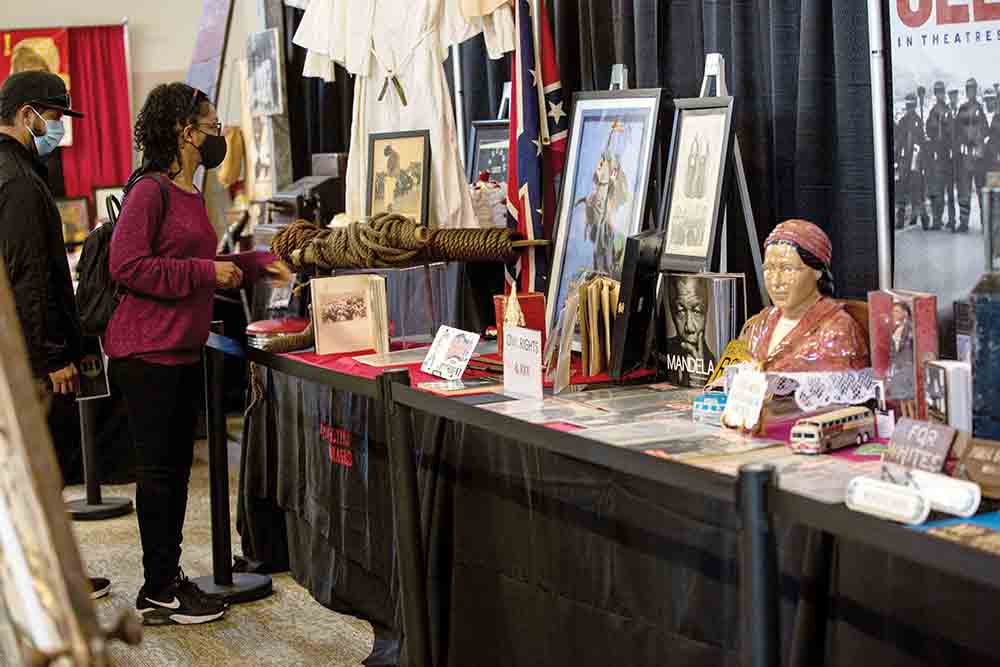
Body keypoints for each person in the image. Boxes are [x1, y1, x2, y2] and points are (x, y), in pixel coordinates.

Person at [105, 82, 284, 626]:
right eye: (210, 126)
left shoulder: (187, 192)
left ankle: (167, 578)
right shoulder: (149, 191)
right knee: (160, 475)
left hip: (178, 353)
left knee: (175, 474)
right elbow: (127, 266)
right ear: (185, 131)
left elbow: (195, 258)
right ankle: (158, 589)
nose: (217, 136)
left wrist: (253, 262)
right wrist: (207, 272)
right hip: (147, 354)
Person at [0, 71, 111, 601]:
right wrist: (50, 357)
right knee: (39, 478)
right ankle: (51, 588)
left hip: (15, 353)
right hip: (28, 361)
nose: (59, 129)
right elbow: (29, 278)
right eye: (57, 117)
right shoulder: (18, 183)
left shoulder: (15, 172)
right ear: (28, 115)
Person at [739, 219, 869, 372]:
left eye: (788, 269)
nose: (776, 281)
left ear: (817, 271)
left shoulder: (836, 332)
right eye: (769, 269)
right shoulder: (759, 324)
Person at [660, 274, 715, 387]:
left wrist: (699, 382)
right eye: (680, 311)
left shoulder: (716, 365)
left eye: (697, 311)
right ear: (671, 312)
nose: (689, 327)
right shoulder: (662, 356)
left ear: (706, 312)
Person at [956, 77, 988, 233]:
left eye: (973, 89)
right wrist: (962, 145)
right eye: (969, 89)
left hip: (978, 156)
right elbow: (957, 131)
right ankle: (963, 222)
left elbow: (986, 130)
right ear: (967, 91)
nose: (971, 92)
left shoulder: (981, 109)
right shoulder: (961, 109)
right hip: (965, 155)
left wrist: (979, 143)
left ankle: (985, 223)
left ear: (975, 90)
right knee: (964, 191)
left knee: (982, 190)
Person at [925, 81, 955, 230]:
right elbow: (928, 131)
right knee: (938, 189)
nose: (940, 95)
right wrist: (934, 128)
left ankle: (951, 220)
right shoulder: (932, 111)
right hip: (937, 155)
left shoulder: (948, 111)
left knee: (949, 189)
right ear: (935, 94)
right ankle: (937, 220)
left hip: (948, 155)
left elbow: (953, 132)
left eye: (941, 92)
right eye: (937, 92)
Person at [895, 93, 925, 230]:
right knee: (902, 188)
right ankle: (900, 217)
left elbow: (921, 142)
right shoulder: (902, 122)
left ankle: (917, 215)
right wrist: (897, 157)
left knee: (915, 188)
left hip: (915, 158)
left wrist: (919, 160)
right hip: (904, 159)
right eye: (908, 106)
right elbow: (898, 141)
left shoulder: (919, 121)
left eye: (912, 106)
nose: (910, 108)